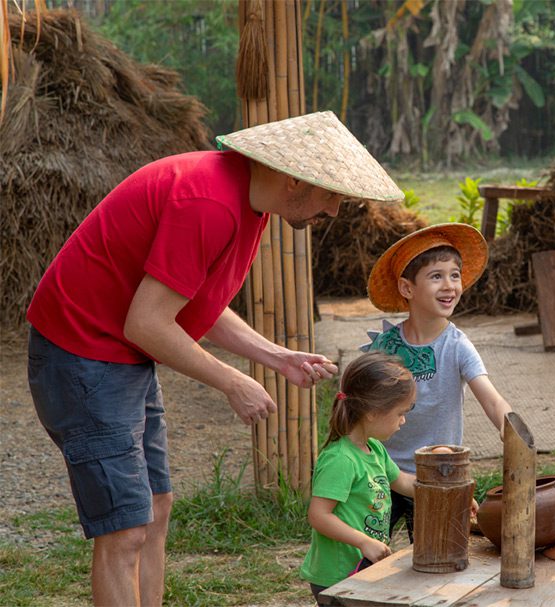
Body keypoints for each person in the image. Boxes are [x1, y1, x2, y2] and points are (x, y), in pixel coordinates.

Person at [26, 111, 404, 607]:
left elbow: (191, 298)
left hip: (117, 356)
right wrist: (232, 380)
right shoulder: (208, 201)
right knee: (125, 530)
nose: (333, 211)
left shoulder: (248, 203)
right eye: (332, 193)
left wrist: (274, 355)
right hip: (81, 355)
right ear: (295, 177)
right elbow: (148, 323)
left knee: (156, 509)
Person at [363, 223, 513, 541]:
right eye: (436, 276)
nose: (449, 286)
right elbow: (360, 405)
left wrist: (509, 427)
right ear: (407, 288)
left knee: (437, 558)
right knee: (364, 556)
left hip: (436, 475)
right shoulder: (384, 347)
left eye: (454, 275)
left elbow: (490, 397)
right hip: (379, 473)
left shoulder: (457, 345)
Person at [298, 352, 417, 601]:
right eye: (400, 413)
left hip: (363, 571)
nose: (404, 421)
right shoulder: (341, 459)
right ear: (372, 412)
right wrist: (363, 542)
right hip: (336, 577)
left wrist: (450, 491)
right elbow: (319, 515)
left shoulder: (374, 449)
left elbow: (403, 482)